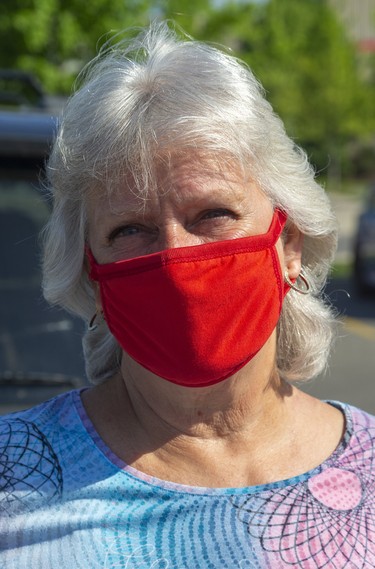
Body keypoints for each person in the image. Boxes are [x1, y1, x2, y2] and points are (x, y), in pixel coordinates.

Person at [1, 21, 374, 568]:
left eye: (214, 215)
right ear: (91, 269)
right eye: (130, 229)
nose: (176, 259)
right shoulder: (14, 478)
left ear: (288, 244)